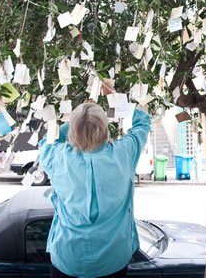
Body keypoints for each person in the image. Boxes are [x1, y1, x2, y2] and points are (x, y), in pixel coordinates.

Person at [38, 101, 151, 278]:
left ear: (73, 132)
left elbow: (48, 140)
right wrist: (112, 97)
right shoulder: (123, 154)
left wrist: (77, 120)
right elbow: (142, 122)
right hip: (112, 261)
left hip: (67, 258)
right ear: (105, 130)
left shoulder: (57, 156)